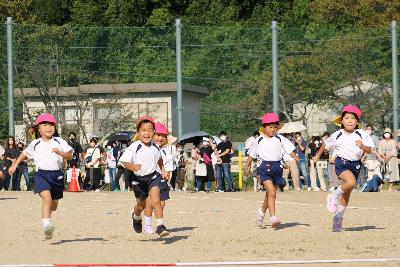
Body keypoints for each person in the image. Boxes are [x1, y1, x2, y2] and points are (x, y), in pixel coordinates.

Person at [8, 113, 73, 239]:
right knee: (47, 199)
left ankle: (47, 219)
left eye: (51, 125)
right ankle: (46, 223)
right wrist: (14, 165)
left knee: (53, 206)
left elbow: (70, 156)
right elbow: (24, 154)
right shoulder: (35, 143)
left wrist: (60, 153)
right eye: (45, 125)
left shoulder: (60, 141)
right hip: (41, 174)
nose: (48, 127)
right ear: (39, 128)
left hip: (57, 175)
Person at [313, 105, 374, 232]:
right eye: (347, 118)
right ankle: (333, 195)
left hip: (356, 165)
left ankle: (338, 218)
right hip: (341, 163)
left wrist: (362, 146)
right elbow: (325, 144)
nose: (350, 120)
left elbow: (371, 150)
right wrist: (317, 156)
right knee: (350, 182)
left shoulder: (362, 134)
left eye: (353, 118)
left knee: (347, 194)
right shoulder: (337, 134)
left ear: (357, 122)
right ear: (342, 120)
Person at [244, 112, 299, 229]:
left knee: (270, 194)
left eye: (275, 127)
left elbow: (289, 149)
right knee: (272, 193)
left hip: (277, 168)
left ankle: (261, 212)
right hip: (264, 168)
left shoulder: (280, 138)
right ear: (264, 127)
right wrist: (246, 167)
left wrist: (295, 157)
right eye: (270, 127)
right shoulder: (259, 140)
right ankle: (273, 217)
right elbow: (251, 155)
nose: (273, 129)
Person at [119, 116, 170, 237]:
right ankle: (136, 217)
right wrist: (133, 167)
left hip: (153, 177)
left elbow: (159, 159)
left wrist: (163, 170)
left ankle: (160, 226)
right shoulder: (135, 146)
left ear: (154, 132)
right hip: (138, 179)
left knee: (156, 201)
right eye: (144, 130)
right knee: (141, 205)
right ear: (138, 132)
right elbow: (124, 162)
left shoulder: (155, 146)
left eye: (150, 130)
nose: (147, 133)